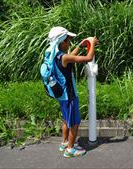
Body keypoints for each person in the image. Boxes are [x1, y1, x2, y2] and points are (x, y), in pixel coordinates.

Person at [45, 26, 98, 158]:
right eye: (68, 41)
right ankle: (70, 149)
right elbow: (88, 58)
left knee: (66, 119)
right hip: (69, 96)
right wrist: (91, 43)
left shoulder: (55, 55)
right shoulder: (64, 58)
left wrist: (80, 45)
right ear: (62, 42)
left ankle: (64, 142)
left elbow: (70, 56)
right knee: (75, 122)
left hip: (61, 96)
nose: (69, 44)